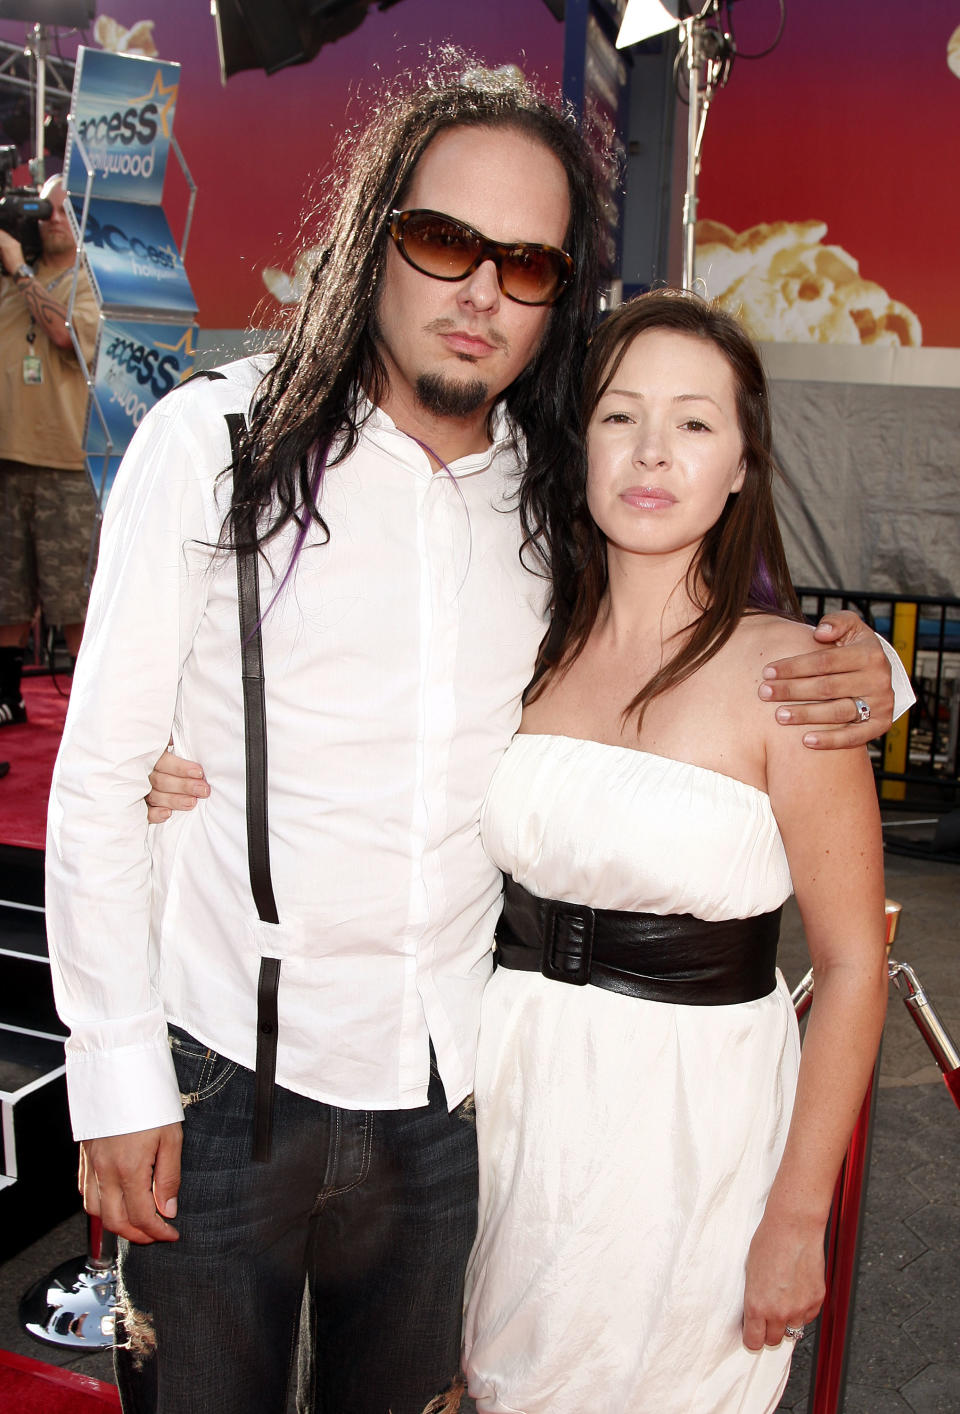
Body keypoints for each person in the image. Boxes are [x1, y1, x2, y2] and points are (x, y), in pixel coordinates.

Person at [47, 67, 905, 1414]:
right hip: (221, 1078)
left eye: (527, 264)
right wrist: (111, 1072)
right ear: (380, 232)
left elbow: (682, 625)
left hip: (458, 1108)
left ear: (558, 294)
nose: (480, 290)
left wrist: (873, 675)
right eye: (446, 241)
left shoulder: (545, 496)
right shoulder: (214, 440)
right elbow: (99, 772)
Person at [460, 291, 889, 1414]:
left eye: (695, 424)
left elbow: (848, 967)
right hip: (509, 1100)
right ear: (580, 439)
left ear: (743, 462)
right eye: (620, 416)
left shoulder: (791, 674)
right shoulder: (522, 642)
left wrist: (798, 1218)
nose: (653, 452)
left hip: (691, 1130)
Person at [0, 174, 99, 724]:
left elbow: (64, 337)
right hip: (6, 458)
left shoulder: (88, 282)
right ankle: (7, 698)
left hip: (65, 462)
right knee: (6, 595)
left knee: (73, 601)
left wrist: (17, 268)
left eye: (64, 208)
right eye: (45, 208)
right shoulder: (15, 279)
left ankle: (92, 717)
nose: (52, 217)